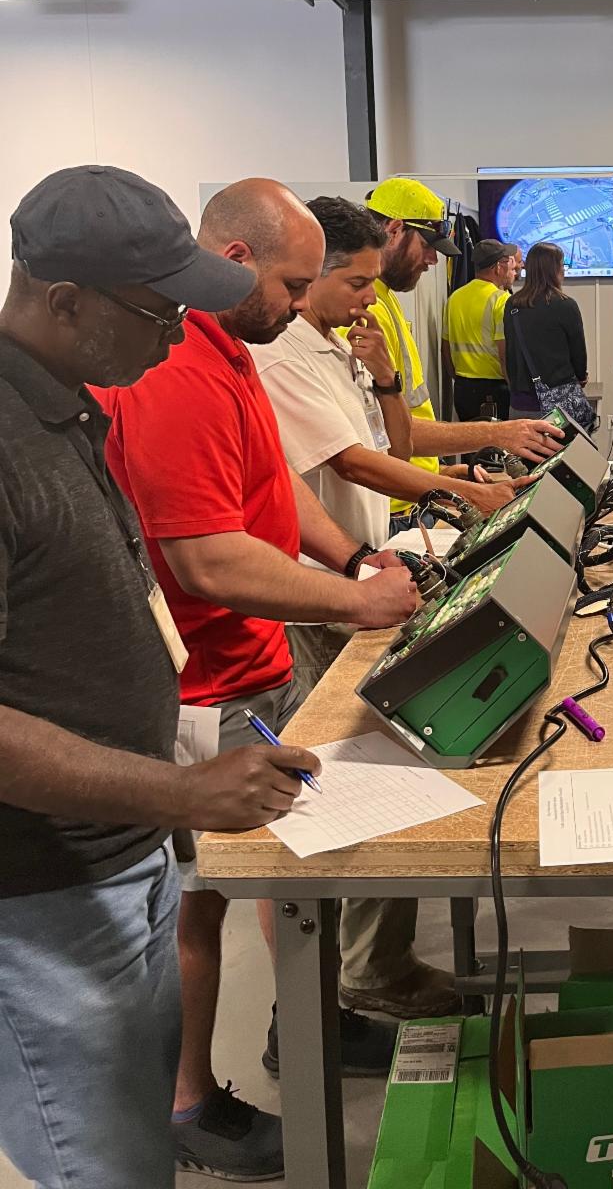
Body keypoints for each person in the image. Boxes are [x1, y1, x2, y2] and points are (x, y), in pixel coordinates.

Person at [0, 165, 322, 1189]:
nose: (179, 336)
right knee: (101, 1165)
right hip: (39, 895)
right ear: (65, 302)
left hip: (118, 857)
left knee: (137, 1144)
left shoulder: (71, 406)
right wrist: (182, 790)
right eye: (159, 312)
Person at [100, 180, 422, 1183]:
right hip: (201, 690)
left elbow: (270, 490)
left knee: (282, 887)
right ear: (234, 257)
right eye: (290, 281)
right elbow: (204, 555)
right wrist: (347, 605)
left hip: (256, 670)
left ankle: (311, 1023)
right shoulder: (172, 373)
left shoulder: (238, 351)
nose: (301, 299)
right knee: (199, 906)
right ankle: (190, 1101)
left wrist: (347, 566)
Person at [253, 196, 462, 1022]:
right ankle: (345, 989)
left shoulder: (333, 346)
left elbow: (394, 446)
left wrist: (383, 377)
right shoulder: (279, 360)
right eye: (351, 282)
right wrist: (467, 491)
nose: (369, 298)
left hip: (362, 577)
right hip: (326, 598)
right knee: (364, 770)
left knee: (386, 758)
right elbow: (355, 465)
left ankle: (363, 970)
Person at [361, 178, 563, 511]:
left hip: (420, 480)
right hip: (396, 503)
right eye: (427, 246)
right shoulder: (365, 311)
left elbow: (397, 419)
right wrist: (498, 433)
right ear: (395, 230)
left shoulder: (402, 299)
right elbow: (377, 435)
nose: (433, 260)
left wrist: (442, 470)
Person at [503, 241, 591, 421]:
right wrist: (581, 377)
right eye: (562, 265)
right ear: (555, 269)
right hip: (559, 404)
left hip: (521, 404)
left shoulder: (513, 305)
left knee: (525, 449)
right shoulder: (566, 305)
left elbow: (510, 351)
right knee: (566, 449)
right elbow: (578, 351)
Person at [441, 238, 518, 423]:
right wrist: (513, 388)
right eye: (507, 263)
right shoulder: (501, 300)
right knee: (497, 449)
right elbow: (504, 353)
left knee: (470, 448)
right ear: (498, 268)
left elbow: (445, 347)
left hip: (462, 388)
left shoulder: (455, 298)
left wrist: (457, 378)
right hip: (493, 390)